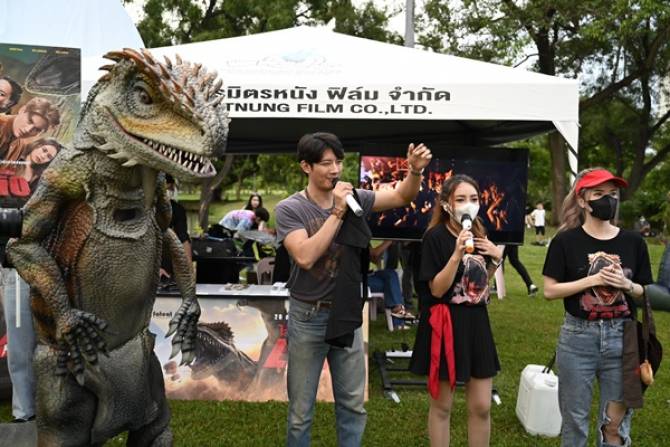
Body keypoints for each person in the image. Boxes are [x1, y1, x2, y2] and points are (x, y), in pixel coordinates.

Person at [275, 132, 431, 446]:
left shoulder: (355, 197)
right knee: (301, 412)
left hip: (347, 311)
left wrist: (414, 171)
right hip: (308, 316)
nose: (335, 169)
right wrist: (337, 211)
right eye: (326, 163)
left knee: (352, 405)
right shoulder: (290, 208)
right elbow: (304, 256)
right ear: (306, 166)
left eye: (338, 162)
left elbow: (401, 197)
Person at [542, 168, 652, 447]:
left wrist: (626, 285)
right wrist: (592, 280)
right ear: (582, 200)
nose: (608, 200)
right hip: (577, 339)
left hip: (622, 340)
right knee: (575, 421)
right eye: (599, 194)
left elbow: (644, 291)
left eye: (612, 194)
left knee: (615, 425)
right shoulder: (566, 241)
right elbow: (549, 290)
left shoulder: (634, 242)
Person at [409, 174, 503, 447]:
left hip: (477, 322)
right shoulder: (435, 237)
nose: (468, 205)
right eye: (460, 199)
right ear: (446, 204)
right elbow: (437, 290)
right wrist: (456, 254)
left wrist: (496, 260)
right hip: (445, 323)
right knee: (442, 406)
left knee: (482, 406)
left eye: (473, 199)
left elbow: (480, 287)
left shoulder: (481, 234)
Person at [368, 240, 415, 330]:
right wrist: (389, 240)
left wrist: (383, 247)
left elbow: (374, 259)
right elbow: (374, 254)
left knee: (391, 274)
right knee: (390, 284)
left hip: (368, 275)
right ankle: (398, 316)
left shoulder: (362, 238)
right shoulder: (357, 237)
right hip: (358, 280)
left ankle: (397, 309)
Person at [159, 174, 192, 280]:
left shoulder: (177, 209)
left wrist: (188, 269)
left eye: (170, 189)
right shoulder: (144, 210)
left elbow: (183, 238)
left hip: (167, 263)